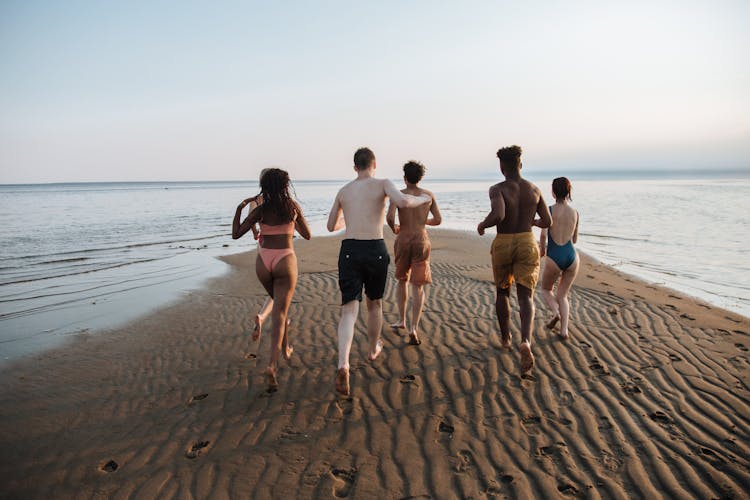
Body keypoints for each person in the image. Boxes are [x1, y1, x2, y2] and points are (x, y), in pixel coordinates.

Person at [327, 147, 432, 396]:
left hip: (350, 249)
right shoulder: (383, 183)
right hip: (375, 248)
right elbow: (405, 201)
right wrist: (425, 199)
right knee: (374, 304)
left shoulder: (344, 191)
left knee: (349, 310)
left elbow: (331, 225)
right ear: (374, 164)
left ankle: (343, 363)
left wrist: (347, 220)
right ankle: (373, 347)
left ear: (355, 167)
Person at [232, 168, 311, 392]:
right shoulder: (292, 207)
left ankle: (285, 348)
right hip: (285, 259)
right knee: (280, 314)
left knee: (279, 307)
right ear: (286, 185)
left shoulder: (261, 210)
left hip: (263, 262)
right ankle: (272, 366)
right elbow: (307, 235)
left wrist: (239, 208)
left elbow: (236, 233)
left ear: (264, 185)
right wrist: (294, 222)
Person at [477, 145, 551, 374]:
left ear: (502, 167)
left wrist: (482, 225)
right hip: (527, 242)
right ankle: (526, 341)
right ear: (521, 164)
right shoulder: (534, 189)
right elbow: (547, 220)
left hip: (504, 241)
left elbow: (499, 215)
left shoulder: (497, 189)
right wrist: (533, 222)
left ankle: (506, 338)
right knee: (525, 296)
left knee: (502, 292)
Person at [386, 160, 442, 346]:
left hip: (403, 238)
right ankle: (413, 328)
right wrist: (423, 222)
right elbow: (438, 219)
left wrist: (395, 227)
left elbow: (390, 217)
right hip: (420, 239)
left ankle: (401, 320)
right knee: (418, 286)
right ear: (420, 178)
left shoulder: (398, 195)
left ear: (404, 177)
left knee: (402, 280)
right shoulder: (428, 195)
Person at [539, 177, 579, 340]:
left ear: (553, 191)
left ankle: (556, 313)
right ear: (569, 192)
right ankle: (564, 331)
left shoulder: (549, 210)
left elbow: (543, 235)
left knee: (546, 289)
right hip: (571, 256)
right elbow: (575, 239)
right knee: (562, 296)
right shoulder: (575, 213)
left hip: (554, 255)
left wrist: (542, 251)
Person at [237, 168, 273, 342]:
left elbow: (250, 220)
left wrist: (254, 233)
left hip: (262, 245)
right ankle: (264, 316)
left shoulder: (256, 200)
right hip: (280, 247)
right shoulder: (279, 199)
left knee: (276, 288)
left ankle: (273, 317)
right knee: (280, 288)